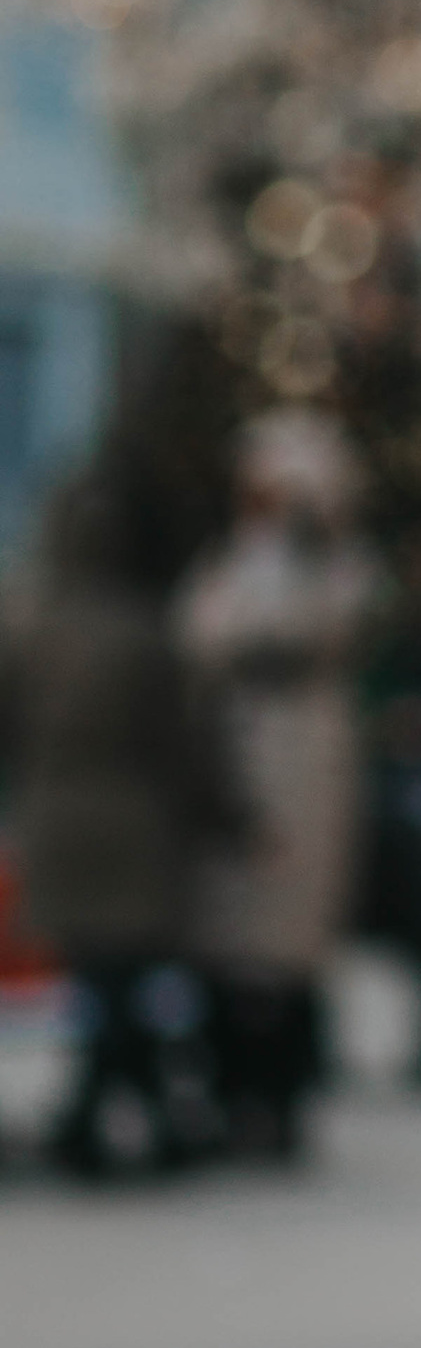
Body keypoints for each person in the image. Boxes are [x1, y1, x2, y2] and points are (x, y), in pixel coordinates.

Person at [1, 456, 233, 1175]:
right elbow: (179, 745)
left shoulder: (33, 628)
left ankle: (100, 1120)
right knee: (123, 982)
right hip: (135, 826)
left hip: (55, 818)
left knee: (99, 983)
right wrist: (228, 814)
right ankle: (122, 1122)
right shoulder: (146, 632)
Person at [178, 409, 379, 1157]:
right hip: (230, 757)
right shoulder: (229, 558)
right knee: (227, 945)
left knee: (289, 946)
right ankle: (231, 1091)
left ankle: (280, 1095)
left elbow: (323, 619)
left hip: (299, 765)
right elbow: (202, 632)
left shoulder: (328, 565)